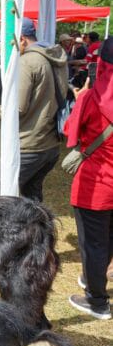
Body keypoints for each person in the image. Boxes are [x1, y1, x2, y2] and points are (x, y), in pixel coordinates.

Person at [0, 17, 67, 202]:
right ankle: (37, 231)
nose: (9, 49)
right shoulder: (54, 56)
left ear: (22, 39)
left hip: (29, 146)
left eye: (11, 44)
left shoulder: (26, 62)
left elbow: (15, 109)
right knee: (31, 198)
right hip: (49, 145)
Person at [64, 37, 112, 320]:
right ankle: (94, 279)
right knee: (107, 240)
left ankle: (97, 301)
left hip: (95, 185)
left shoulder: (90, 98)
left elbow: (70, 134)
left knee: (93, 243)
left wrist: (80, 93)